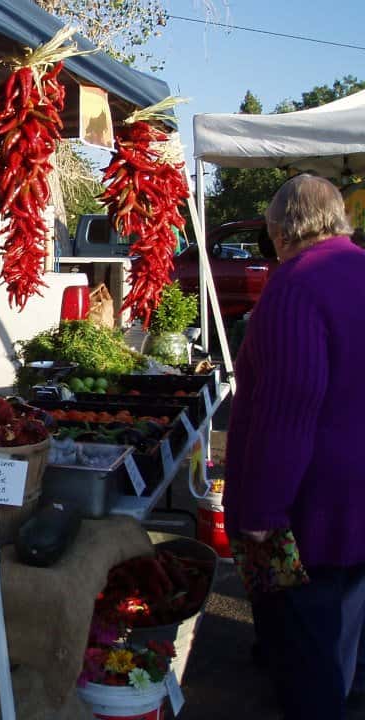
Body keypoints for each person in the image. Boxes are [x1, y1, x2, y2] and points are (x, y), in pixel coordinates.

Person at [224, 173, 365, 719]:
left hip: (309, 511)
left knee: (305, 654)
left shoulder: (296, 284)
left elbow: (289, 411)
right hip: (352, 503)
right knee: (338, 641)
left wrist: (260, 509)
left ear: (280, 229)